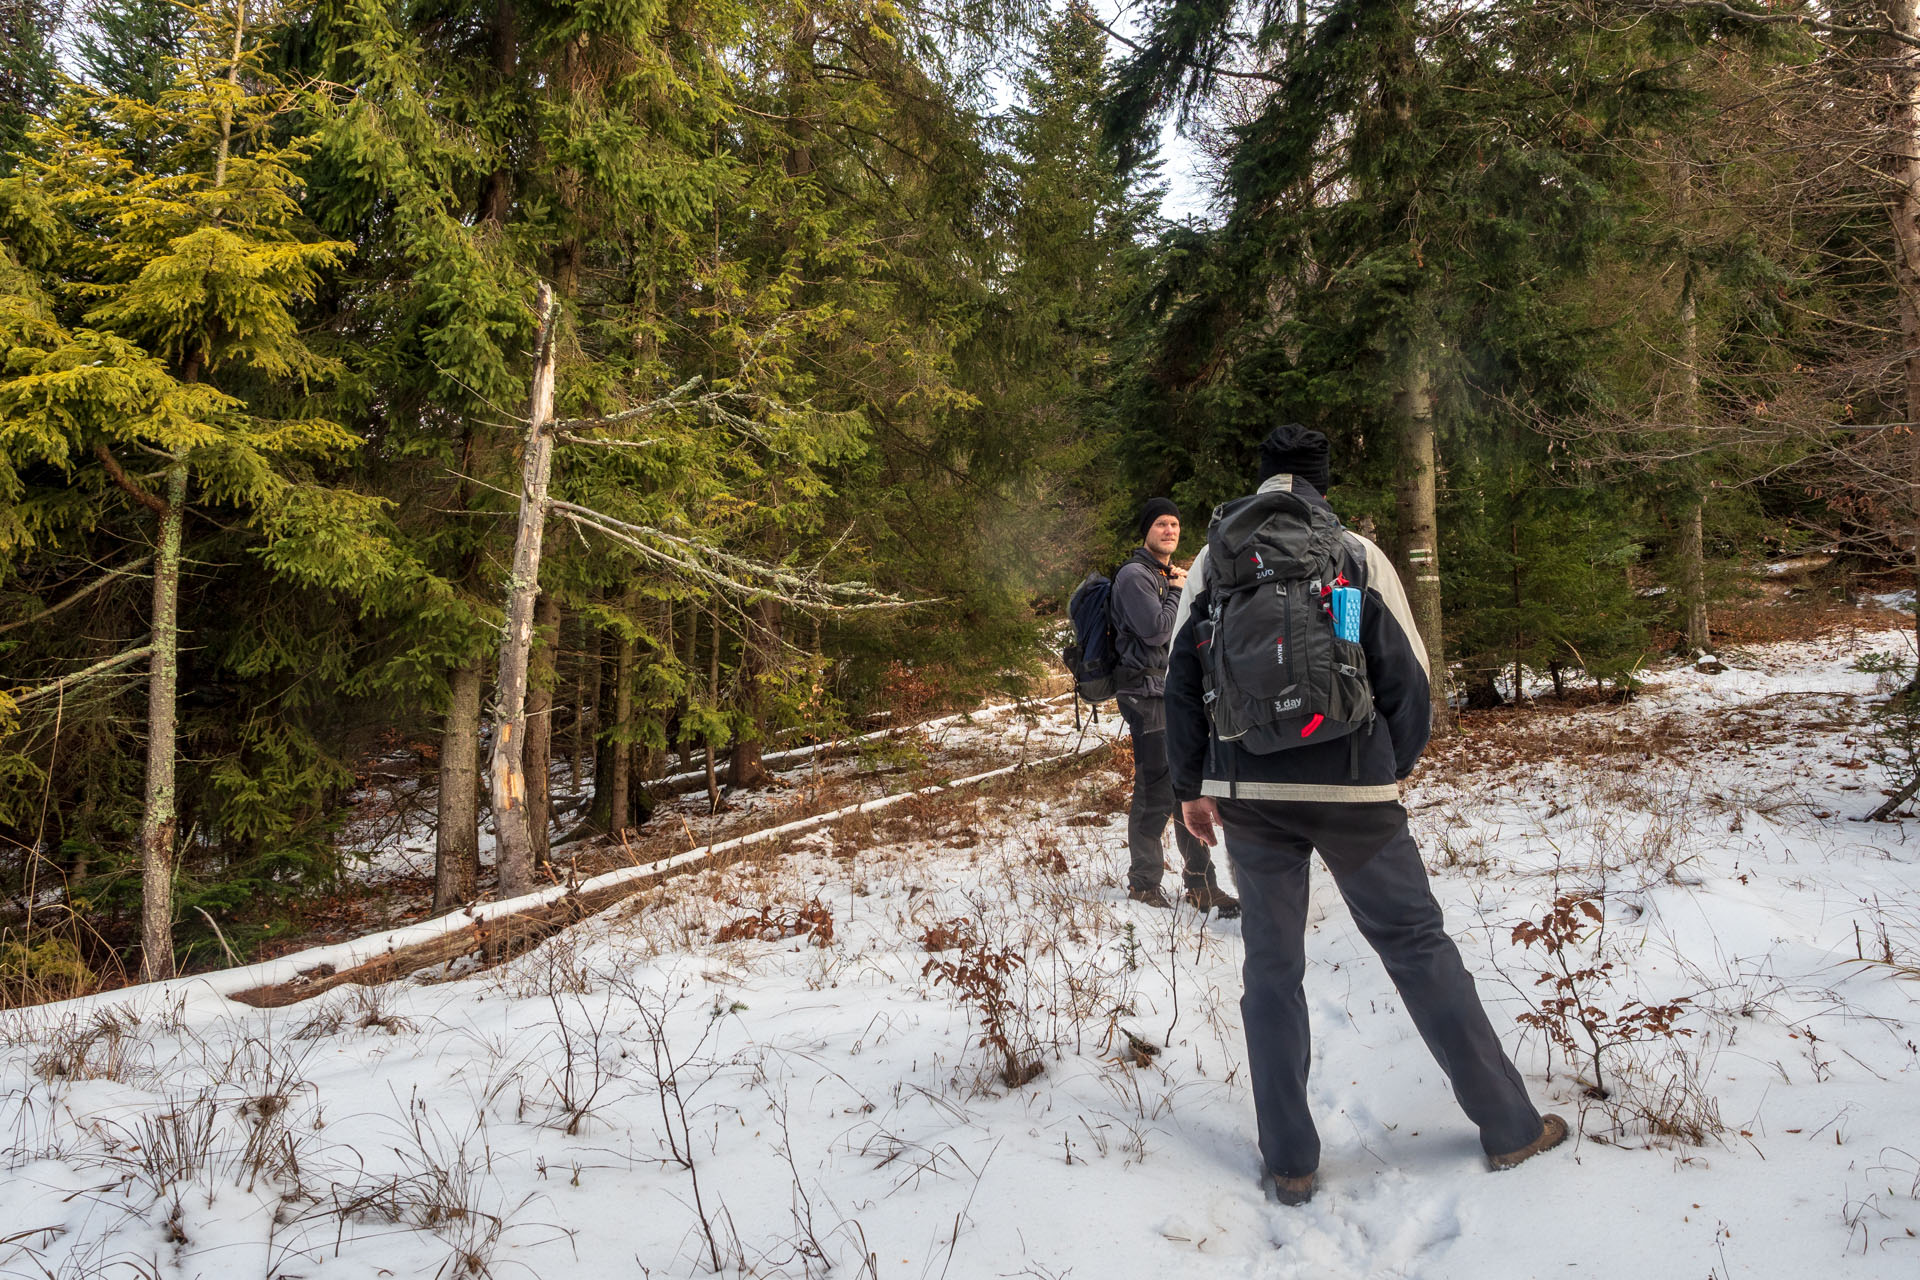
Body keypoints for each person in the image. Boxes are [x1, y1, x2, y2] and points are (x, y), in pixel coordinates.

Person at [1163, 425, 1565, 1205]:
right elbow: (1406, 678)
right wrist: (1390, 763)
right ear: (1320, 481)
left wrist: (1192, 786)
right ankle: (1510, 1128)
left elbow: (1182, 680)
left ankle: (1290, 1161)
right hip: (1354, 791)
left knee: (1271, 969)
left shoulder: (1214, 561)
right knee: (1417, 945)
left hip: (1252, 797)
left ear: (1260, 478)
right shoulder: (1351, 553)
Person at [1109, 498, 1240, 916]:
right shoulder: (1134, 576)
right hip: (1144, 694)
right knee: (1153, 789)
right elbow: (1155, 631)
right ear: (1146, 531)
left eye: (1175, 525)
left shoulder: (1165, 574)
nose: (1170, 531)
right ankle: (1144, 884)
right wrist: (1179, 592)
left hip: (1169, 694)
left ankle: (1202, 887)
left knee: (1186, 786)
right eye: (1162, 524)